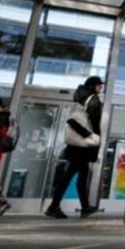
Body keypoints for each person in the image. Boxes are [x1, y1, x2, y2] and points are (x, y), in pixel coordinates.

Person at [45, 77, 103, 219]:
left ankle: (85, 207)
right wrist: (95, 139)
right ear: (93, 86)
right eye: (99, 86)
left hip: (75, 143)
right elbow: (94, 124)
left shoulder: (79, 99)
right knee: (70, 175)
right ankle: (54, 206)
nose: (100, 88)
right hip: (83, 145)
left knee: (81, 175)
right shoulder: (93, 101)